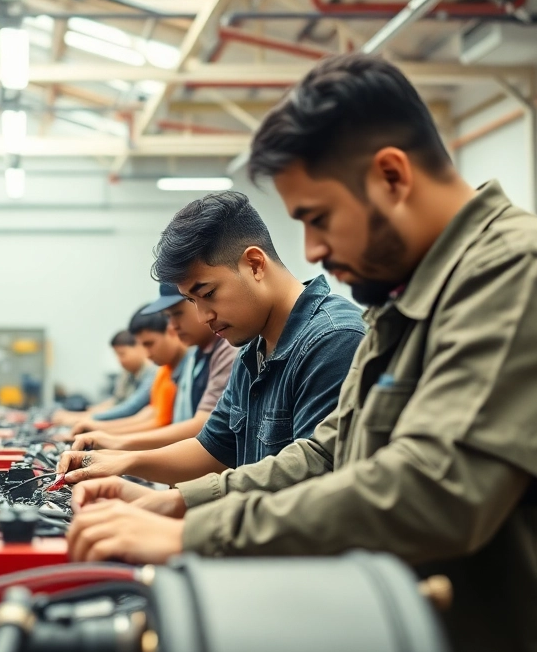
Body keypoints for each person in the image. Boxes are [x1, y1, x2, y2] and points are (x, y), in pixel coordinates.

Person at [66, 54, 537, 652]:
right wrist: (180, 503)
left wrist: (194, 534)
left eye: (318, 218)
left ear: (390, 176)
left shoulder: (526, 278)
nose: (314, 250)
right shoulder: (406, 303)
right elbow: (331, 452)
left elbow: (436, 488)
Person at [58, 192, 364, 485]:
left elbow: (309, 481)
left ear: (255, 264)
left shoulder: (333, 340)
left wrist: (172, 505)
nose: (204, 316)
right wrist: (121, 461)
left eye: (208, 294)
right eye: (192, 302)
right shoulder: (252, 352)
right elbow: (213, 448)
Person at [70, 284, 237, 449]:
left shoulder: (224, 352)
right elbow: (151, 412)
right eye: (169, 318)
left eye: (177, 315)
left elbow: (198, 427)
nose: (173, 326)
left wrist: (112, 439)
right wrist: (101, 432)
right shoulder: (194, 357)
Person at [75, 308, 187, 435]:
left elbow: (135, 410)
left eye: (149, 344)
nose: (147, 353)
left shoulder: (156, 371)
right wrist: (98, 429)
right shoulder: (165, 371)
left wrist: (102, 431)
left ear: (171, 331)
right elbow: (151, 414)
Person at [53, 331, 155, 425]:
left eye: (122, 354)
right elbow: (116, 401)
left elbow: (129, 408)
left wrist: (80, 418)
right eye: (116, 355)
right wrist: (90, 411)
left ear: (139, 347)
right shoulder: (128, 373)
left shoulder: (152, 373)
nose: (120, 360)